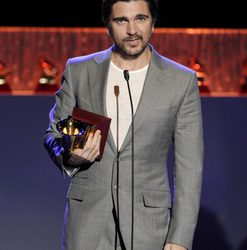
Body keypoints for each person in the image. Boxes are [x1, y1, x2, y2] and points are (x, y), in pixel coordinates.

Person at [44, 0, 204, 250]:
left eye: (140, 18)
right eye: (122, 20)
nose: (132, 30)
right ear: (107, 24)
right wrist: (71, 157)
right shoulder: (80, 71)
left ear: (153, 22)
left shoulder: (181, 81)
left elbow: (189, 166)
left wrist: (180, 237)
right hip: (88, 225)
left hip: (149, 226)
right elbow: (53, 134)